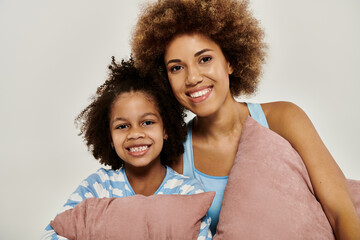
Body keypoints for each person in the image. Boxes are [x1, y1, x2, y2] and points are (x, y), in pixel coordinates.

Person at [131, 0, 360, 238]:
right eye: (177, 68)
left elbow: (340, 211)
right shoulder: (175, 155)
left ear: (230, 61)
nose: (192, 78)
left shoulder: (284, 120)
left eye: (205, 59)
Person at [41, 57, 212, 240]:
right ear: (110, 139)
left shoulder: (187, 191)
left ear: (166, 129)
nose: (135, 134)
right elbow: (52, 233)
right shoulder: (98, 186)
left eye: (147, 122)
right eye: (122, 126)